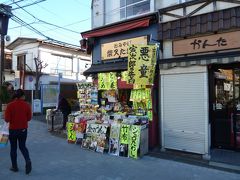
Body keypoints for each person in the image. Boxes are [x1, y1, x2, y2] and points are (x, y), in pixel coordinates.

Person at [4, 89, 32, 174]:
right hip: (23, 130)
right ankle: (28, 161)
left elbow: (7, 119)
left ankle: (14, 167)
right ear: (22, 96)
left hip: (13, 130)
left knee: (13, 148)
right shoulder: (27, 105)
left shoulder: (9, 105)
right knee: (23, 146)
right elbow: (29, 118)